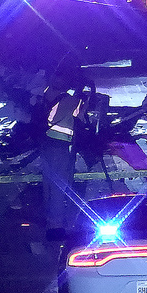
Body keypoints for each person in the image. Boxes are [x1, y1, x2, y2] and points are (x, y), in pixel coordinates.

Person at [38, 69, 90, 241]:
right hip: (61, 146)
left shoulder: (47, 93)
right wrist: (84, 101)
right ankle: (56, 227)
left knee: (49, 184)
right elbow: (81, 121)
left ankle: (50, 221)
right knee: (60, 187)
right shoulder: (72, 101)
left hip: (46, 144)